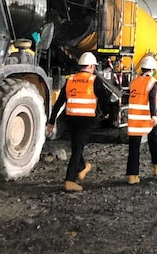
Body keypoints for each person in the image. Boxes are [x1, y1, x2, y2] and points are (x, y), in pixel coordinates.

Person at [47, 52, 112, 192]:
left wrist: (51, 121)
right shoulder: (94, 80)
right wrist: (107, 113)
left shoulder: (70, 80)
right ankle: (70, 180)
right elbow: (103, 99)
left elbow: (59, 103)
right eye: (93, 66)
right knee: (77, 150)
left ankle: (82, 167)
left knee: (76, 146)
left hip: (70, 118)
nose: (94, 68)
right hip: (86, 120)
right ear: (90, 66)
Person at [126, 55, 157, 185]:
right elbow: (152, 99)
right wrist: (154, 115)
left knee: (134, 147)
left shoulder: (134, 81)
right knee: (153, 140)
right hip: (147, 118)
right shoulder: (152, 83)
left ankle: (132, 176)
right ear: (153, 69)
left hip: (133, 118)